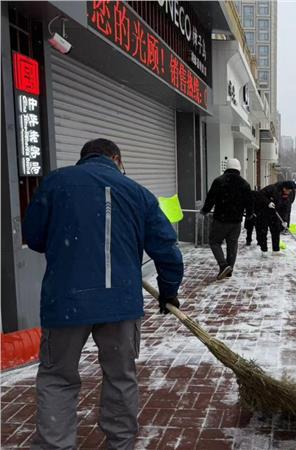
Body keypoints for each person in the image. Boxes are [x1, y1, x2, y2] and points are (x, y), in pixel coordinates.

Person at [23, 138, 184, 450]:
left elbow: (34, 236)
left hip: (66, 300)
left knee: (58, 377)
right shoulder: (137, 193)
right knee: (120, 376)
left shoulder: (56, 183)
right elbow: (167, 249)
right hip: (119, 303)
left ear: (84, 158)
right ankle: (120, 443)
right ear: (116, 158)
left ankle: (55, 445)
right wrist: (168, 292)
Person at [201, 158, 252, 279]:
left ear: (227, 168)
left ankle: (223, 265)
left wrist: (204, 210)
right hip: (236, 221)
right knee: (232, 245)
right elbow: (250, 203)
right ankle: (229, 270)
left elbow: (211, 198)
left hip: (221, 220)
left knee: (214, 242)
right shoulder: (245, 184)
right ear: (238, 169)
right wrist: (249, 214)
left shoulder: (219, 181)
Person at [255, 181, 296, 255]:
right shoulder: (272, 188)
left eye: (291, 191)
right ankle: (264, 250)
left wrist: (285, 220)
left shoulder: (289, 194)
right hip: (264, 212)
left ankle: (276, 250)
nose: (289, 192)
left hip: (276, 213)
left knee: (276, 231)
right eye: (288, 190)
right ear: (284, 188)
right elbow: (259, 194)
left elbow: (286, 208)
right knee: (263, 231)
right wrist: (268, 202)